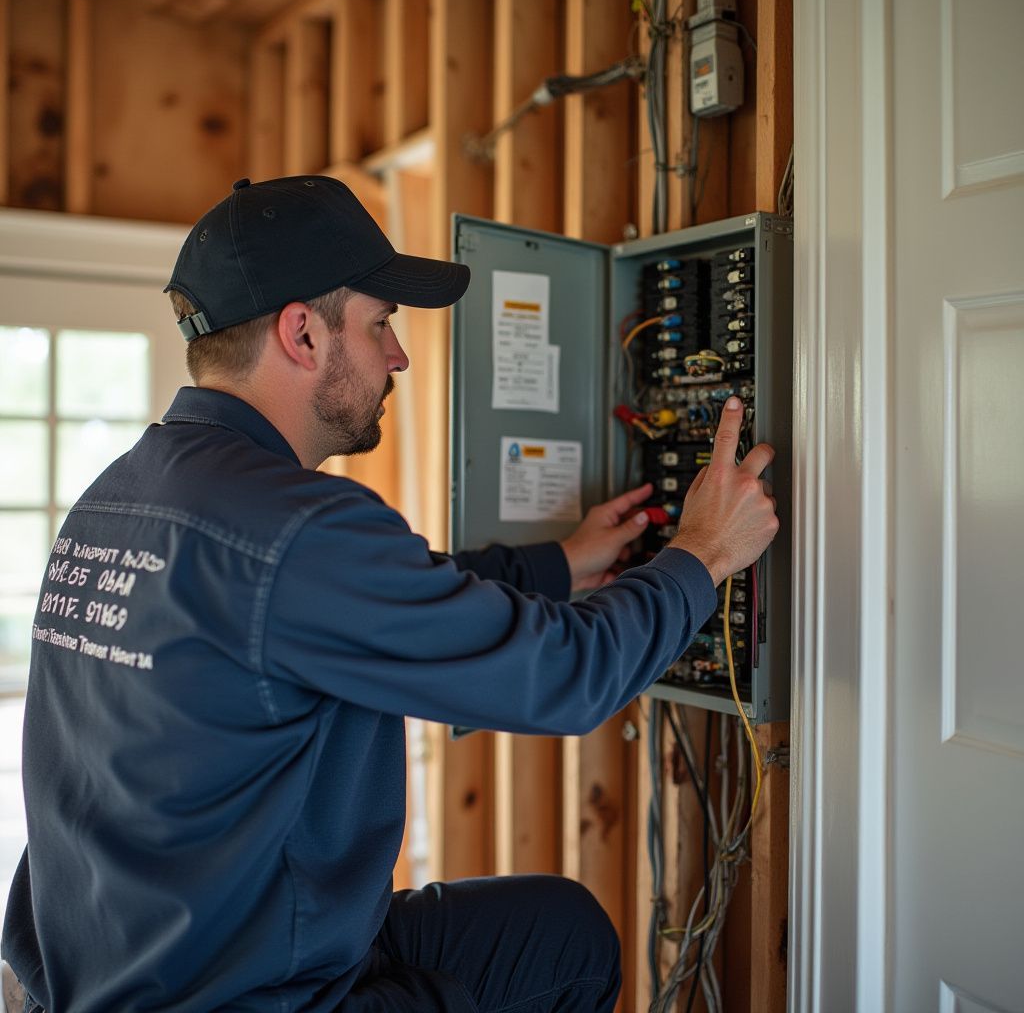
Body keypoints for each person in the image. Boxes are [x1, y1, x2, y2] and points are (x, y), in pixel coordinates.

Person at [0, 175, 778, 1013]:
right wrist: (701, 553)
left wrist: (559, 564)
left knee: (559, 932)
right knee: (564, 953)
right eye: (380, 325)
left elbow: (357, 599)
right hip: (247, 993)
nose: (398, 355)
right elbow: (565, 674)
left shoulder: (124, 495)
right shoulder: (295, 526)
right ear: (301, 332)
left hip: (114, 966)